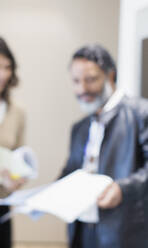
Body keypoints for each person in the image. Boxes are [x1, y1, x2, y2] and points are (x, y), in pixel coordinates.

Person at [60, 44, 148, 248]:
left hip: (125, 233)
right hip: (82, 231)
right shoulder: (80, 127)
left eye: (90, 79)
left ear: (110, 75)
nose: (82, 89)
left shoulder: (141, 113)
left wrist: (123, 189)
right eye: (76, 81)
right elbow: (70, 172)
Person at [0, 37, 26, 248]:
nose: (2, 74)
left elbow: (19, 158)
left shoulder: (18, 113)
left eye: (7, 67)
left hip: (1, 204)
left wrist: (16, 178)